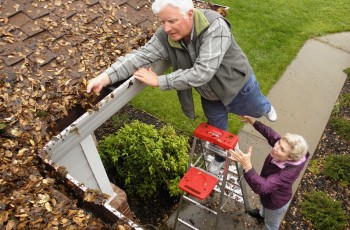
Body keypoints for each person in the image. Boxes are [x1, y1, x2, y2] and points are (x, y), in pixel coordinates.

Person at [86, 0, 277, 175]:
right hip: (210, 96)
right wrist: (104, 78)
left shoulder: (215, 26)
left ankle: (267, 108)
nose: (166, 28)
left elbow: (203, 72)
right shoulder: (167, 35)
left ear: (191, 14)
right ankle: (219, 158)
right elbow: (139, 56)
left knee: (258, 109)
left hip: (238, 87)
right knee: (217, 132)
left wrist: (160, 81)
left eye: (171, 21)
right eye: (162, 22)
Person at [229, 116, 309, 230]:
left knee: (270, 224)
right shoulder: (284, 149)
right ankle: (262, 214)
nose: (276, 147)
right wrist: (254, 122)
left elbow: (263, 186)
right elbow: (270, 134)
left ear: (290, 158)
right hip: (267, 196)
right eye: (279, 143)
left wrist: (247, 166)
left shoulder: (288, 173)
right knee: (263, 205)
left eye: (282, 149)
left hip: (276, 203)